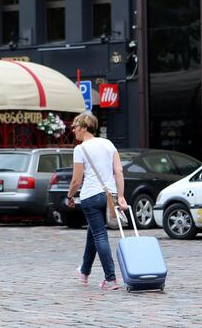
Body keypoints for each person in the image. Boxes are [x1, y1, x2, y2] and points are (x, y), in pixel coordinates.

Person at [66, 113, 127, 290]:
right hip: (109, 196)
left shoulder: (80, 149)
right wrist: (121, 196)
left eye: (76, 126)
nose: (74, 130)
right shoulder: (108, 144)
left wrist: (69, 196)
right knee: (93, 233)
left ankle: (111, 279)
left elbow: (77, 180)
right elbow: (118, 171)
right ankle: (84, 271)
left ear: (85, 127)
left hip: (91, 196)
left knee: (100, 235)